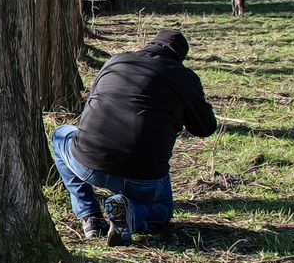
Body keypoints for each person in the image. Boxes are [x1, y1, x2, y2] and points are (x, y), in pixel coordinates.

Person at [51, 29, 217, 246]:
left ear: (151, 44)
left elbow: (94, 102)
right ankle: (131, 212)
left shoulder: (116, 62)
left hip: (87, 162)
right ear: (179, 57)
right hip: (143, 178)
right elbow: (205, 128)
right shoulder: (184, 78)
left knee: (59, 134)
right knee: (164, 210)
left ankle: (89, 215)